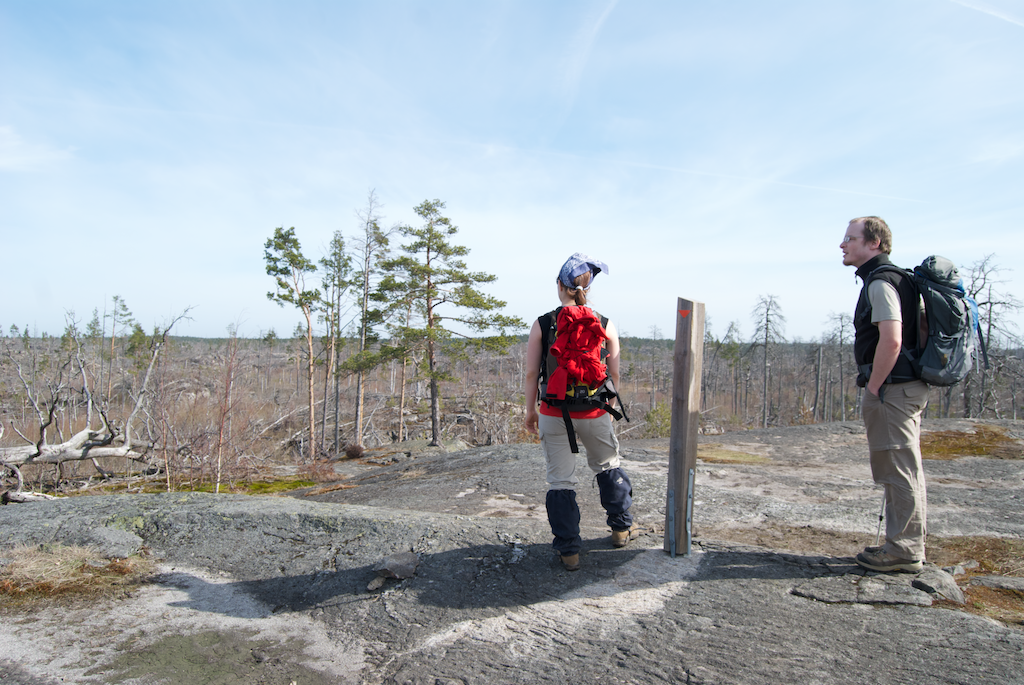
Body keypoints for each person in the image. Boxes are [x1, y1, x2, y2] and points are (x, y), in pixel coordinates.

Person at [524, 253, 634, 572]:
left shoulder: (543, 323)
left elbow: (532, 374)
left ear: (560, 285)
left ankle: (569, 551)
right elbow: (613, 373)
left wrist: (530, 411)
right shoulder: (605, 324)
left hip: (554, 411)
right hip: (595, 412)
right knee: (607, 466)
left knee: (561, 480)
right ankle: (620, 529)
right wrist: (609, 402)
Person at [841, 216, 928, 573]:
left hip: (893, 389)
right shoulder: (898, 279)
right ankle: (901, 544)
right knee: (903, 468)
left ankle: (904, 551)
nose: (843, 245)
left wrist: (876, 385)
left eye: (850, 238)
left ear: (874, 243)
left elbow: (891, 338)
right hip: (903, 386)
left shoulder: (880, 282)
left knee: (897, 469)